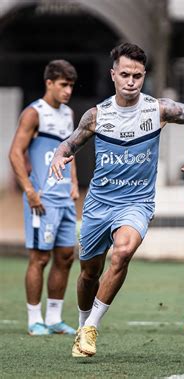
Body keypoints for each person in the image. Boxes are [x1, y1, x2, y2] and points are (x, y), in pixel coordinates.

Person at [49, 43, 184, 357]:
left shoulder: (157, 109)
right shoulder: (97, 115)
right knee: (89, 273)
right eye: (124, 75)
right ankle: (82, 326)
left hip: (136, 204)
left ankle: (91, 327)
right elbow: (70, 143)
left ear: (144, 75)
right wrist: (58, 155)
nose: (131, 81)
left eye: (137, 75)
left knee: (122, 253)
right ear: (113, 75)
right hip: (98, 205)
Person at [9, 60, 79, 336]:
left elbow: (68, 151)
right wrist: (29, 190)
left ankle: (54, 318)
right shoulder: (33, 113)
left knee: (65, 256)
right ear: (49, 83)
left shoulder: (69, 114)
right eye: (63, 85)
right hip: (42, 199)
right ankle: (33, 319)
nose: (68, 91)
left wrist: (73, 182)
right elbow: (15, 153)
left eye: (71, 85)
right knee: (39, 258)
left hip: (64, 198)